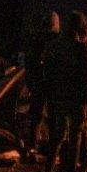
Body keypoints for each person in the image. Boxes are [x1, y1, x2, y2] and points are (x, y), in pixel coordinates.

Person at [40, 12, 87, 172]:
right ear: (79, 29)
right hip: (76, 100)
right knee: (75, 136)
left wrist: (48, 96)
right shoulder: (80, 49)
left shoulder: (52, 46)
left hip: (56, 98)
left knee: (56, 136)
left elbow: (46, 74)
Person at [20, 11, 59, 163]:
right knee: (51, 118)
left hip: (40, 85)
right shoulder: (57, 42)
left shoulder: (37, 40)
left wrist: (30, 83)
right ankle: (49, 147)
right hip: (50, 86)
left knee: (38, 116)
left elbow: (30, 64)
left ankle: (34, 146)